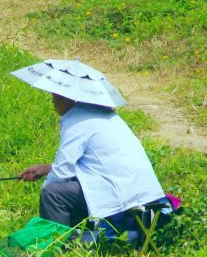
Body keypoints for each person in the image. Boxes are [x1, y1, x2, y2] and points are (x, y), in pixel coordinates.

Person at [18, 92, 176, 248]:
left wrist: (45, 194)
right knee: (67, 187)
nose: (53, 101)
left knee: (52, 194)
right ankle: (78, 236)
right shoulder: (103, 114)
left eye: (57, 97)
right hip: (143, 191)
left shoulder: (76, 121)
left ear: (71, 98)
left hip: (123, 194)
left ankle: (59, 246)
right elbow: (95, 162)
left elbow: (61, 173)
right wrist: (47, 168)